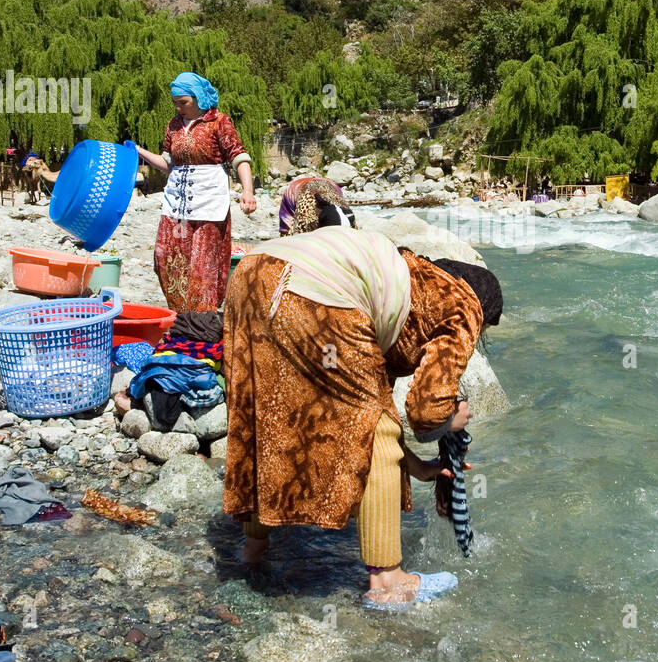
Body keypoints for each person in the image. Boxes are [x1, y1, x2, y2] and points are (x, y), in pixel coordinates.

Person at [223, 223, 504, 609]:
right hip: (311, 292)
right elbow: (420, 413)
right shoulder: (463, 302)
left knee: (264, 411)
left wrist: (416, 467)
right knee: (372, 427)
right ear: (484, 311)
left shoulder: (404, 282)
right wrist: (449, 421)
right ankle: (389, 582)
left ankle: (253, 548)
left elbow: (374, 396)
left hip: (251, 276)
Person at [132, 72, 257, 311]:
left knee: (203, 262)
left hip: (208, 201)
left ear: (198, 98)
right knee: (165, 255)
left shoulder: (219, 121)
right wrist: (138, 150)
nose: (178, 107)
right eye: (175, 102)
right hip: (176, 203)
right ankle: (180, 313)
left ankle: (201, 319)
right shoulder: (174, 125)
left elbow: (239, 157)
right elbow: (168, 163)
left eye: (183, 102)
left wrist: (248, 191)